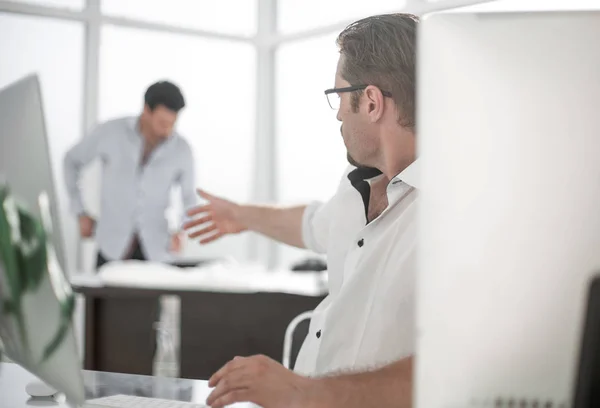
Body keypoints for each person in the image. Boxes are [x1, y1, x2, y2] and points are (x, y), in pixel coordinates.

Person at [184, 13, 418, 408]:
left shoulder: (459, 212)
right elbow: (312, 225)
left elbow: (453, 367)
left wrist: (304, 394)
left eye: (341, 97)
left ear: (372, 102)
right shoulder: (356, 183)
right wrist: (240, 215)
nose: (340, 113)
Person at [64, 81, 196, 268]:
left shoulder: (182, 150)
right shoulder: (110, 132)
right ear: (146, 111)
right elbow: (71, 161)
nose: (167, 131)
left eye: (172, 124)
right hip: (111, 247)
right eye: (162, 123)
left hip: (156, 251)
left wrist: (182, 230)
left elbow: (189, 197)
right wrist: (80, 212)